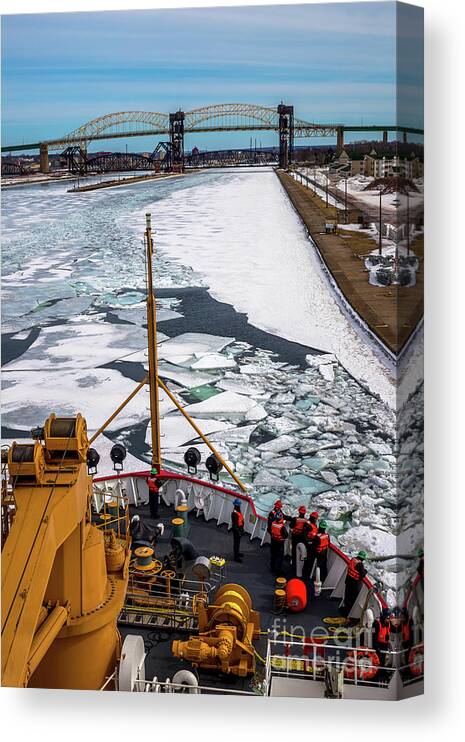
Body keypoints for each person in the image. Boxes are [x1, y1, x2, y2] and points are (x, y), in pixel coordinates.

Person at [343, 550, 367, 616]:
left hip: (348, 580)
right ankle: (349, 613)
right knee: (352, 598)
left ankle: (345, 609)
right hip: (354, 583)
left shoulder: (353, 559)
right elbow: (362, 574)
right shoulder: (360, 564)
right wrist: (365, 571)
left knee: (347, 596)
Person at [289, 505, 308, 571]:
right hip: (302, 538)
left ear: (299, 512)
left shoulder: (295, 519)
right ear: (304, 513)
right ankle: (299, 565)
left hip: (295, 537)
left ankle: (293, 565)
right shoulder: (306, 521)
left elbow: (290, 526)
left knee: (294, 550)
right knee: (300, 551)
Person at [302, 511, 319, 581]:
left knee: (308, 559)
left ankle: (306, 572)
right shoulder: (309, 525)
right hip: (309, 544)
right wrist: (308, 542)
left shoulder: (311, 524)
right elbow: (305, 534)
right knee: (309, 559)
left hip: (310, 543)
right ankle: (305, 573)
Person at [314, 519, 330, 583]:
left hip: (319, 554)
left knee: (319, 567)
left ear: (320, 527)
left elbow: (314, 545)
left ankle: (318, 579)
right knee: (324, 567)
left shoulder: (318, 537)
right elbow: (328, 543)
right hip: (324, 553)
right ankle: (324, 579)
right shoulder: (327, 535)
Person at [231, 498, 245, 562]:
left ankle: (237, 553)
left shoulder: (238, 511)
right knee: (236, 543)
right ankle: (236, 557)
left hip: (239, 529)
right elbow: (235, 525)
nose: (239, 506)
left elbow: (240, 521)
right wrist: (238, 532)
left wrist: (242, 530)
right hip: (236, 530)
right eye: (239, 505)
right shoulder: (234, 513)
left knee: (238, 543)